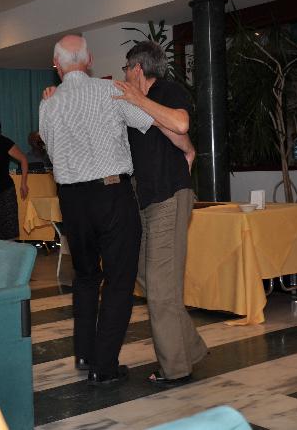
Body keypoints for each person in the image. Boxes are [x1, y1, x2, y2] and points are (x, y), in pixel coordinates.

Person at [39, 35, 189, 386]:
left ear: (56, 65)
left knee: (85, 276)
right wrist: (187, 147)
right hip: (111, 194)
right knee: (119, 280)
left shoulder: (49, 104)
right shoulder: (111, 91)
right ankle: (103, 366)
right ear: (90, 59)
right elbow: (153, 121)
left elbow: (49, 144)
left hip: (71, 200)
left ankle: (84, 353)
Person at [120, 41, 207, 384]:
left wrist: (138, 99)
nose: (125, 75)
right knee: (146, 275)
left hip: (169, 194)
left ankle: (175, 368)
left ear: (138, 68)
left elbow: (181, 124)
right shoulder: (140, 103)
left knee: (160, 289)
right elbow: (178, 137)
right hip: (146, 200)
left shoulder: (166, 90)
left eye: (127, 68)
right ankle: (191, 347)